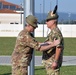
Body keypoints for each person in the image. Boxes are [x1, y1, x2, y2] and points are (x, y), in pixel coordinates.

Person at [42, 5, 64, 75]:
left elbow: (59, 47)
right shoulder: (53, 32)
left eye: (48, 20)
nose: (46, 22)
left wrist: (55, 61)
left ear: (53, 21)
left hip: (52, 64)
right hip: (50, 63)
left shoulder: (56, 32)